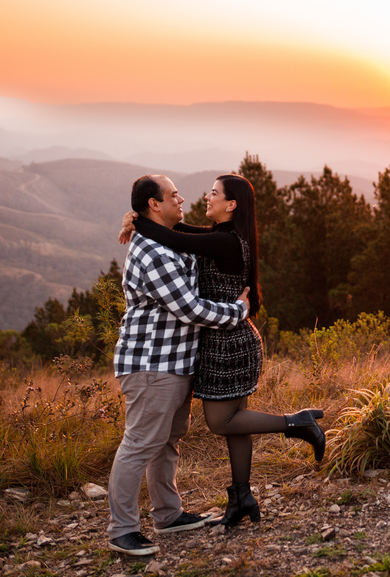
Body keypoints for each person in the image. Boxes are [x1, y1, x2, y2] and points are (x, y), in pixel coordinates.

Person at [120, 173, 325, 528]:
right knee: (236, 424)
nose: (205, 197)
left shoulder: (228, 243)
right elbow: (180, 233)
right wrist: (137, 218)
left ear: (231, 205)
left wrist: (137, 219)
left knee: (222, 421)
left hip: (228, 342)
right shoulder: (223, 236)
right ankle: (241, 496)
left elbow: (171, 236)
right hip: (227, 337)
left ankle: (296, 423)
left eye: (214, 193)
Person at [107, 174, 253, 557]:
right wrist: (237, 311)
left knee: (165, 443)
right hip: (151, 364)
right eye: (173, 195)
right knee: (140, 444)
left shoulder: (163, 240)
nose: (181, 198)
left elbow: (191, 238)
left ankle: (167, 516)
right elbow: (189, 307)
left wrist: (133, 219)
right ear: (154, 204)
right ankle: (121, 530)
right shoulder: (151, 252)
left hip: (175, 363)